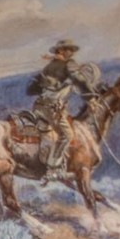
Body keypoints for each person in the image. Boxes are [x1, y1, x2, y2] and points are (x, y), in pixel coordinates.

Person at [26, 39, 96, 176]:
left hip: (39, 106)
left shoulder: (49, 66)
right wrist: (91, 98)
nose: (72, 52)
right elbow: (80, 80)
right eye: (69, 49)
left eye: (72, 50)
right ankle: (53, 168)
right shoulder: (69, 64)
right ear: (62, 51)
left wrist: (54, 86)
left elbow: (32, 89)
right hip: (53, 109)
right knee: (66, 135)